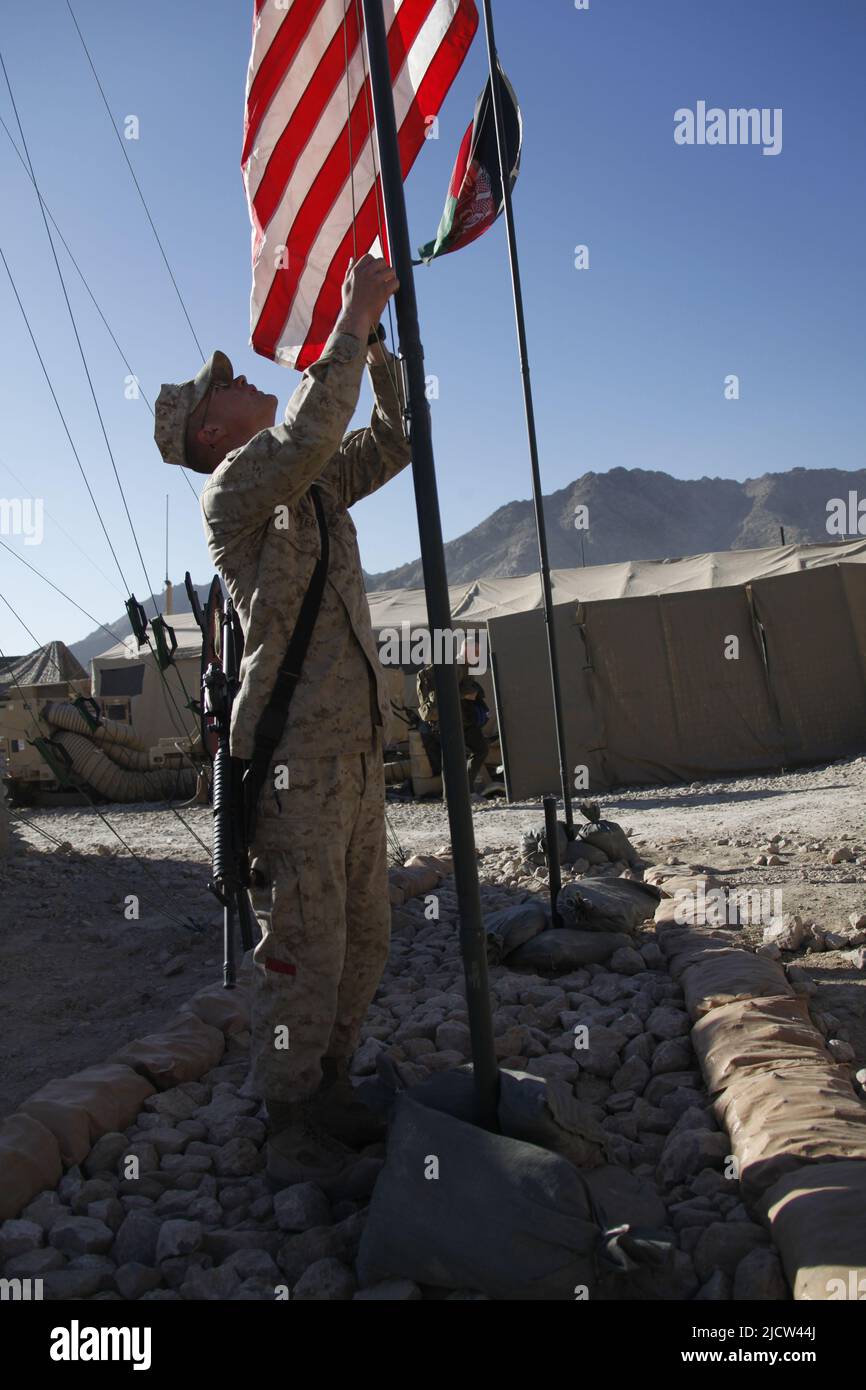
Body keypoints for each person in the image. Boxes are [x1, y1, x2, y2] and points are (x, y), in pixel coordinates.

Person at [154, 255, 410, 1189]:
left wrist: (377, 350)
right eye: (229, 384)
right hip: (295, 762)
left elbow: (396, 439)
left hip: (356, 752)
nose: (247, 378)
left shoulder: (309, 486)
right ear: (210, 428)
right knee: (306, 944)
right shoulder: (234, 492)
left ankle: (332, 1084)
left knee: (366, 937)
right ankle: (290, 1114)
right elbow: (309, 431)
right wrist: (351, 315)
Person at [416, 635, 490, 793]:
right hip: (450, 721)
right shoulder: (454, 667)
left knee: (481, 749)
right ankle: (450, 796)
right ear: (467, 650)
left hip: (464, 720)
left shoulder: (466, 667)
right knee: (451, 759)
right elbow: (445, 693)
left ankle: (466, 790)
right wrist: (465, 694)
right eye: (476, 652)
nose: (478, 655)